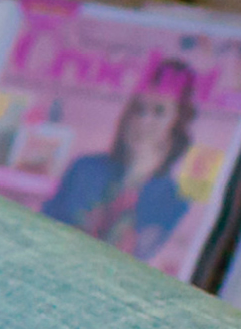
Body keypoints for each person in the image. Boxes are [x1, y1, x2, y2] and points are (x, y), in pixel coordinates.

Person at [43, 66, 195, 263]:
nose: (143, 120)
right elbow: (46, 229)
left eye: (159, 112)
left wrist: (135, 176)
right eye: (138, 109)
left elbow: (133, 256)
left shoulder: (173, 200)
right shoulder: (84, 168)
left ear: (177, 125)